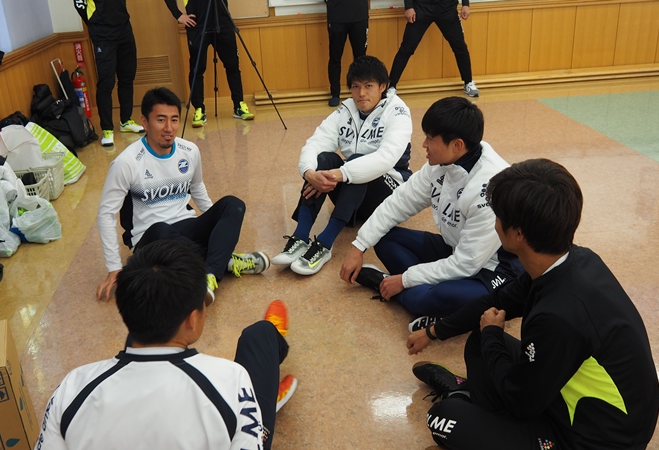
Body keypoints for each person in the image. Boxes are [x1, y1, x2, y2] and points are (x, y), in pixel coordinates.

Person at [406, 159, 659, 449]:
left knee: (442, 418)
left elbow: (522, 403)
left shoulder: (559, 316)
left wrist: (493, 334)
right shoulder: (572, 260)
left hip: (594, 440)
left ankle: (467, 402)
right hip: (570, 395)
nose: (494, 221)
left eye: (498, 215)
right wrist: (434, 332)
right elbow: (496, 301)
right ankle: (477, 406)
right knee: (480, 341)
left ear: (518, 234)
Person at [36, 240, 297, 449]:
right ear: (192, 319)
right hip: (235, 408)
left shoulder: (72, 388)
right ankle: (263, 403)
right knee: (260, 335)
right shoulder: (230, 379)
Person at [340, 97, 522, 330]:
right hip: (455, 249)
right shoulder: (440, 164)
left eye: (430, 138)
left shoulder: (490, 189)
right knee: (384, 239)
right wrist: (359, 246)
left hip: (492, 269)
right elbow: (399, 202)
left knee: (431, 298)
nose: (424, 144)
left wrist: (405, 279)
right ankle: (432, 303)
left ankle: (389, 285)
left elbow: (466, 264)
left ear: (457, 145)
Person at [96, 87, 268, 303]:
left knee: (234, 205)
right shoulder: (126, 162)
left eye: (174, 120)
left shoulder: (189, 151)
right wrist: (113, 267)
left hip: (186, 226)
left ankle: (210, 276)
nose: (169, 128)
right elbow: (106, 214)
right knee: (160, 229)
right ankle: (224, 261)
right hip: (149, 238)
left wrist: (216, 226)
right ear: (145, 122)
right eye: (161, 120)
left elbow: (197, 187)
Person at [272, 55, 412, 276]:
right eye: (355, 87)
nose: (361, 93)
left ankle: (325, 244)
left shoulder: (398, 111)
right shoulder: (346, 109)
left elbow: (385, 158)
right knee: (324, 159)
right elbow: (316, 142)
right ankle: (300, 236)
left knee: (356, 162)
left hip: (390, 194)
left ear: (383, 86)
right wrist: (309, 173)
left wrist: (341, 173)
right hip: (354, 196)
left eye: (368, 86)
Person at [163, 0, 254, 128]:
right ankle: (199, 108)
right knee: (197, 69)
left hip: (223, 23)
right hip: (197, 25)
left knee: (232, 66)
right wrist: (178, 15)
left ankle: (239, 105)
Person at [73, 0, 145, 147]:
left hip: (124, 30)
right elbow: (79, 3)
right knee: (106, 83)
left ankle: (125, 121)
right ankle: (107, 129)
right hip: (103, 35)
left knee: (127, 77)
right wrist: (94, 21)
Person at [389, 0, 479, 97]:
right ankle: (391, 86)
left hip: (447, 8)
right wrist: (408, 6)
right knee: (406, 49)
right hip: (421, 7)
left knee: (460, 47)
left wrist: (465, 4)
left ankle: (468, 82)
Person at [325, 0, 368, 107]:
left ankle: (361, 92)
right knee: (335, 57)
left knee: (361, 59)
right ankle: (335, 94)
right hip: (337, 16)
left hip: (359, 15)